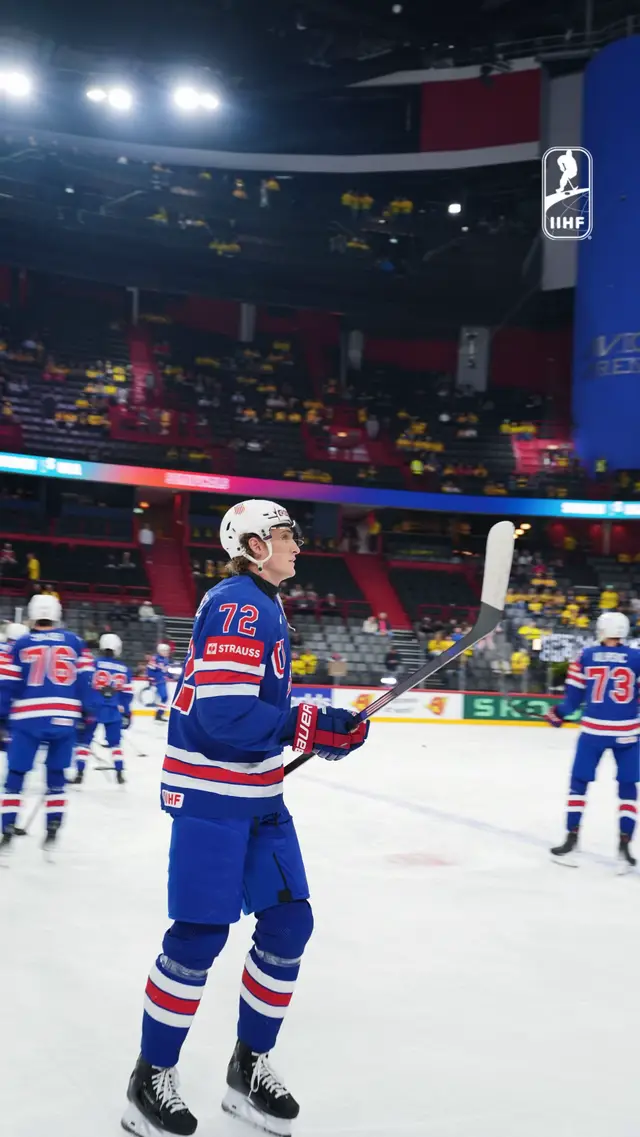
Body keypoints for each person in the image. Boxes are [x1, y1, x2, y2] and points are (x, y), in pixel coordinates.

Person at [122, 498, 369, 1137]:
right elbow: (224, 714)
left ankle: (248, 1066)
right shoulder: (240, 604)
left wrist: (318, 729)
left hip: (257, 794)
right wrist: (311, 723)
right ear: (255, 545)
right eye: (287, 535)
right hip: (210, 796)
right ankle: (150, 1077)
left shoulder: (262, 602)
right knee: (199, 936)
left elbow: (253, 712)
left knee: (289, 923)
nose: (297, 546)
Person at [0, 594, 95, 858]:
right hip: (65, 717)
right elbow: (87, 681)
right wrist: (87, 714)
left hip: (27, 718)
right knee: (56, 775)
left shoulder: (20, 644)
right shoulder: (76, 642)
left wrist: (1, 716)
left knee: (16, 775)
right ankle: (53, 826)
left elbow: (6, 683)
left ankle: (7, 828)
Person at [547, 612, 640, 871]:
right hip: (628, 733)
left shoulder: (585, 656)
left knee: (579, 783)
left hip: (594, 732)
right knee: (628, 787)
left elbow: (571, 702)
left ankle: (571, 840)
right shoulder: (637, 658)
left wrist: (557, 715)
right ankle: (624, 847)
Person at [72, 633, 133, 786]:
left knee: (84, 742)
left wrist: (82, 708)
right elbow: (127, 694)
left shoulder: (93, 664)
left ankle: (79, 773)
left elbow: (84, 686)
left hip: (93, 709)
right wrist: (126, 713)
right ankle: (119, 772)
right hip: (113, 710)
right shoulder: (125, 669)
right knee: (115, 744)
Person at [146, 642, 171, 722]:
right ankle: (159, 714)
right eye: (165, 651)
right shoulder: (155, 658)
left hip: (162, 681)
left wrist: (169, 675)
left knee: (164, 697)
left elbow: (165, 671)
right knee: (164, 697)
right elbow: (149, 669)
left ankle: (159, 714)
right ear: (161, 651)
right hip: (158, 682)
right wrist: (151, 679)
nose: (167, 652)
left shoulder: (166, 660)